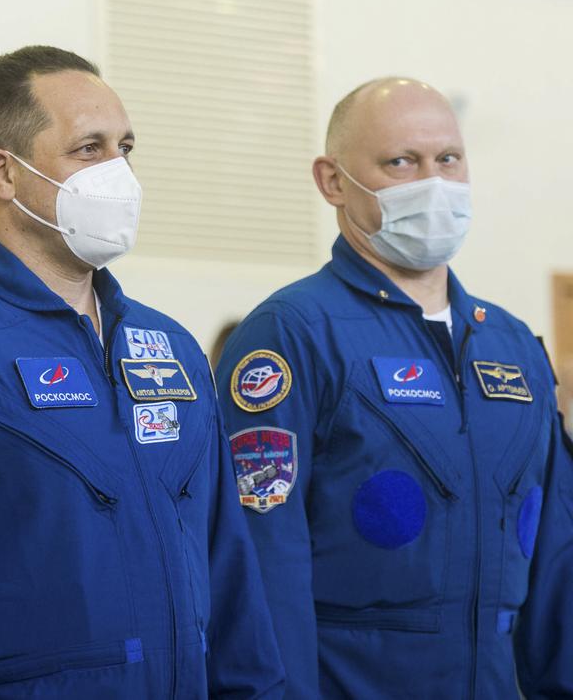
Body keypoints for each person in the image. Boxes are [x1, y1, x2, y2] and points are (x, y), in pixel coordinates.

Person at [0, 46, 285, 698]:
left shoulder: (172, 349)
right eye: (89, 149)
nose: (119, 172)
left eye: (125, 147)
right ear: (4, 172)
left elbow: (230, 569)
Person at [216, 77, 573, 698]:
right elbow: (262, 558)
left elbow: (555, 552)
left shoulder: (512, 345)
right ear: (332, 181)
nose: (433, 183)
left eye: (449, 159)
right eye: (400, 162)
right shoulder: (294, 335)